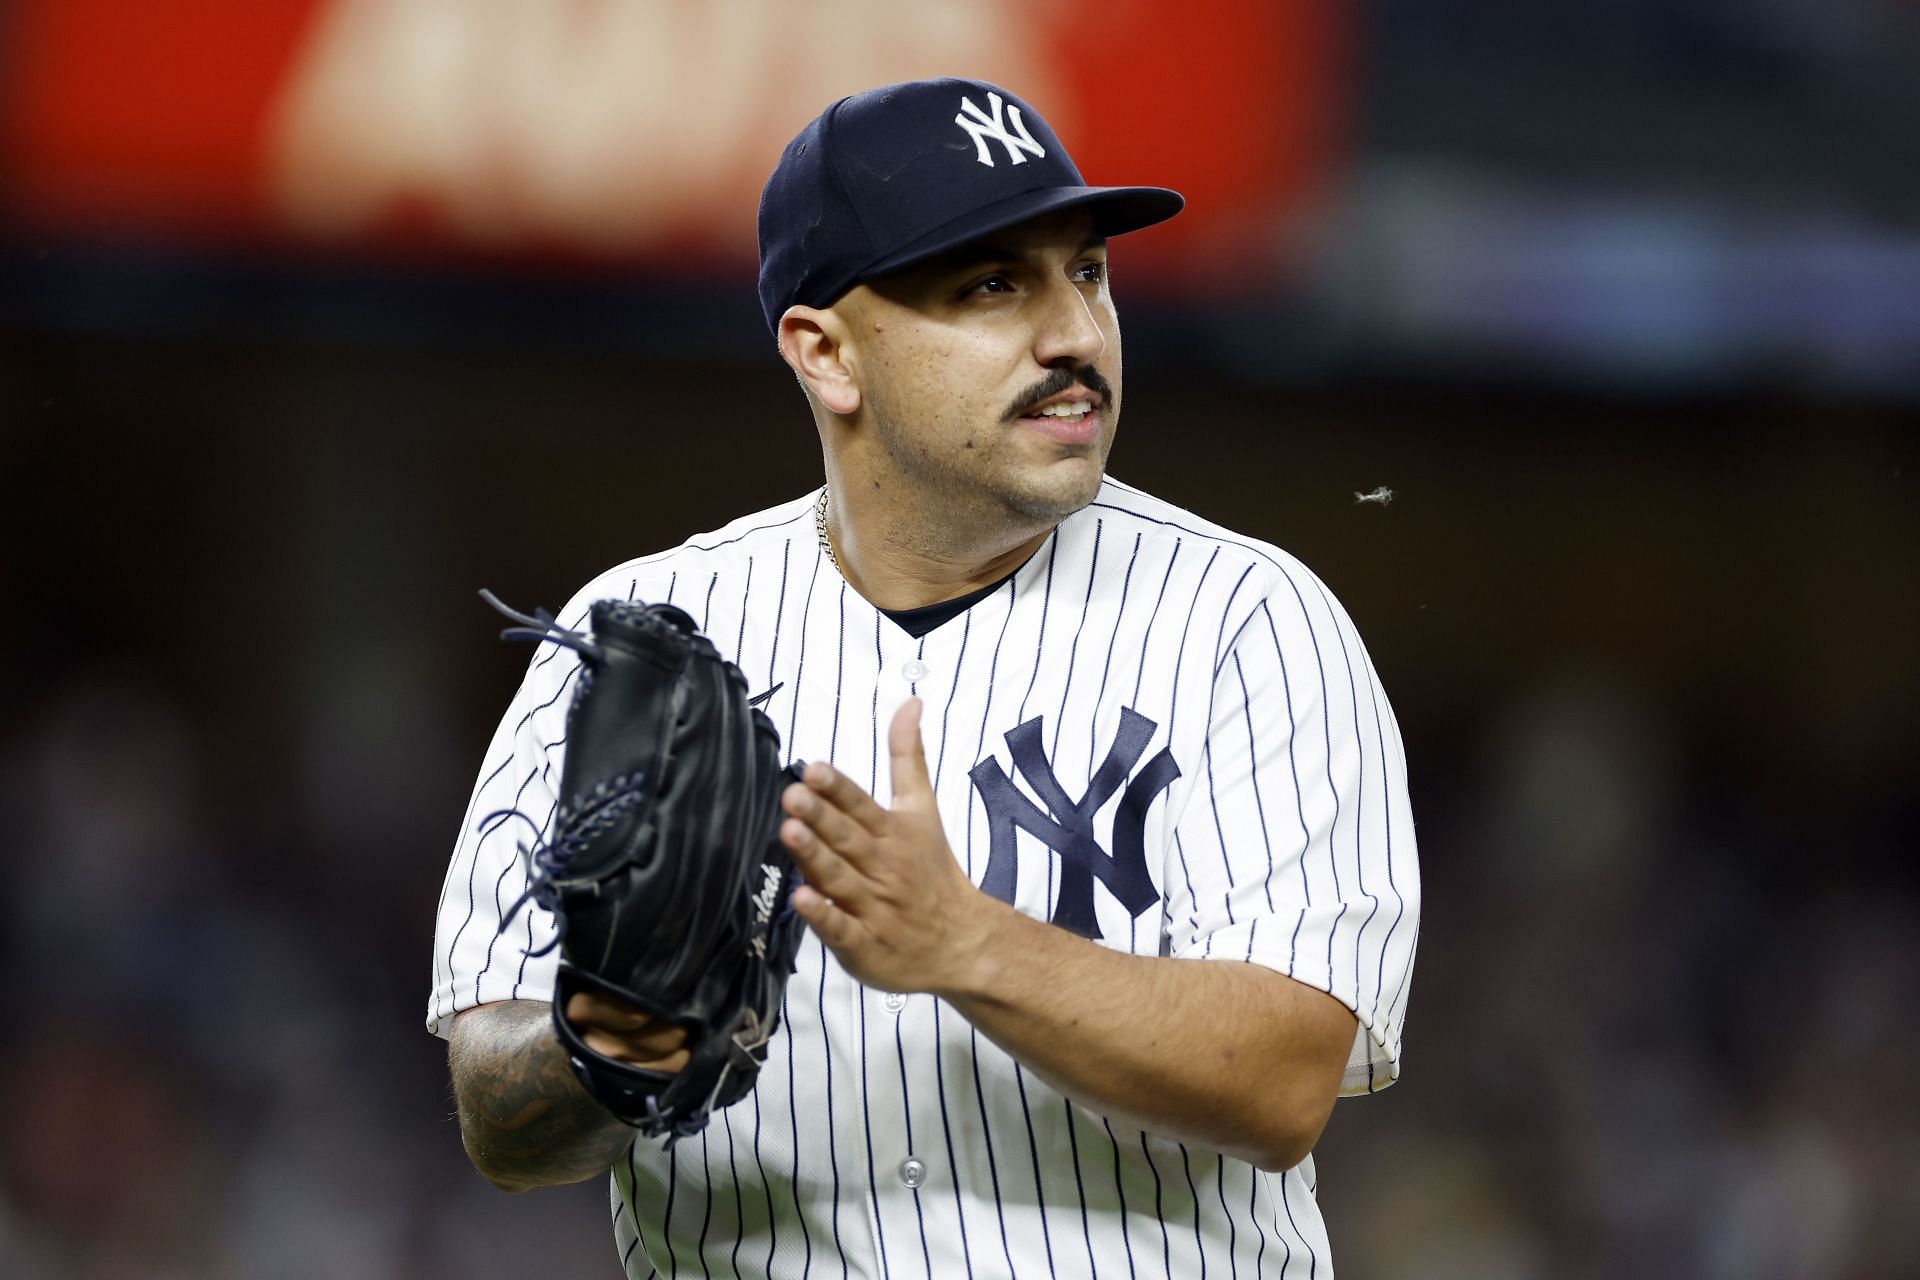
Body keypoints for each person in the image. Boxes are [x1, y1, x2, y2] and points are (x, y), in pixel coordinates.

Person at [430, 77, 1419, 1278]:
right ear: (826, 352)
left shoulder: (1250, 620)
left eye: (1088, 272)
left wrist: (966, 943)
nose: (1074, 333)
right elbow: (499, 1116)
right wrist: (608, 1046)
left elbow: (1285, 1078)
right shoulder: (639, 632)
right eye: (994, 285)